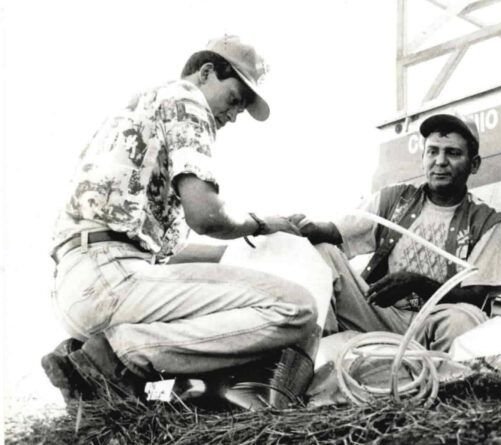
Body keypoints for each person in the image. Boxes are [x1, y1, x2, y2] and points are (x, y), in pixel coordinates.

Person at [42, 36, 319, 410]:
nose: (233, 116)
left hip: (78, 284)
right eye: (235, 99)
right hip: (111, 278)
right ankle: (121, 354)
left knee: (199, 361)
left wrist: (241, 254)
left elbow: (159, 247)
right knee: (296, 307)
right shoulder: (187, 99)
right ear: (206, 72)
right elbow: (206, 215)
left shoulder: (139, 108)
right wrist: (262, 224)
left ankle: (102, 368)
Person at [291, 113, 501, 352]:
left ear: (474, 164)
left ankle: (443, 376)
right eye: (432, 151)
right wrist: (308, 228)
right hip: (381, 315)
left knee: (464, 319)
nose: (440, 161)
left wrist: (417, 283)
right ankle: (310, 357)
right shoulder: (394, 199)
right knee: (322, 252)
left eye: (452, 153)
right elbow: (336, 231)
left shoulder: (489, 222)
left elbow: (476, 297)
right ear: (423, 158)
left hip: (434, 323)